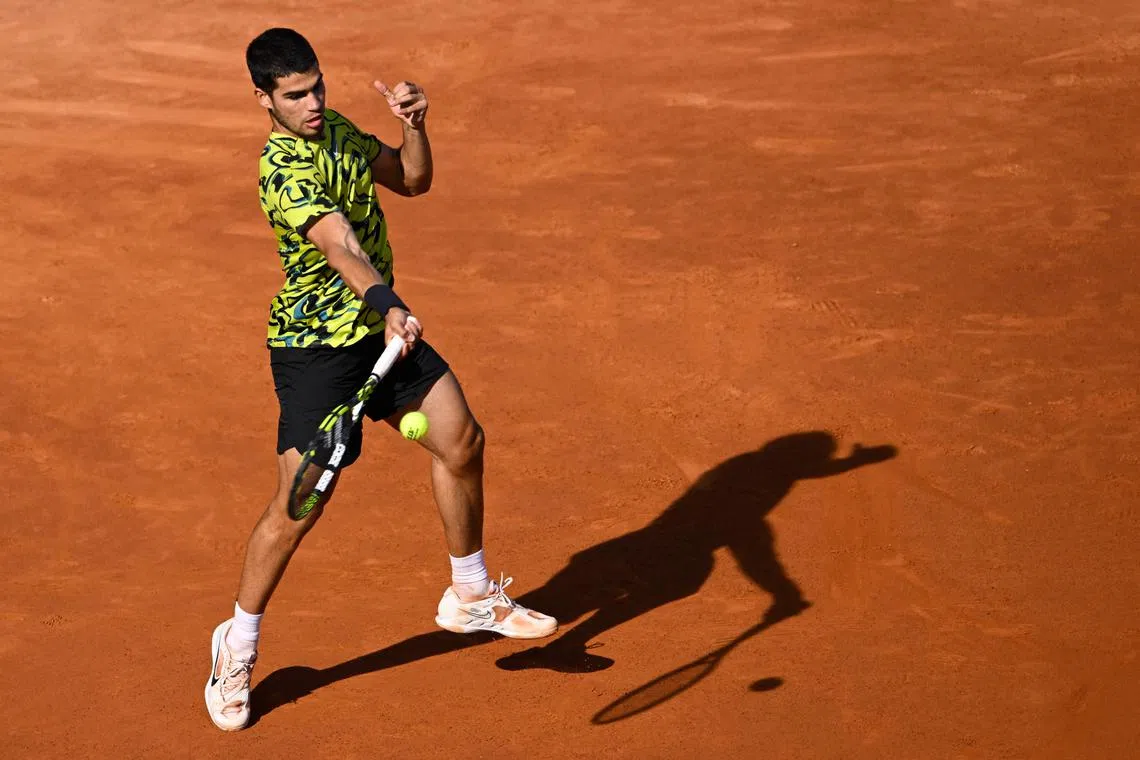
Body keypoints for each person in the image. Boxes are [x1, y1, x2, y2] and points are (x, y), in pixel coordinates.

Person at [204, 27, 557, 732]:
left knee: (461, 440)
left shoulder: (336, 131)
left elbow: (413, 179)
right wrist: (390, 304)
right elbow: (343, 247)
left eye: (317, 87)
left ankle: (470, 593)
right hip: (316, 352)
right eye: (295, 95)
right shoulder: (283, 172)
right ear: (263, 100)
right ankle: (236, 644)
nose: (312, 103)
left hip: (380, 333)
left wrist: (414, 126)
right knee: (298, 504)